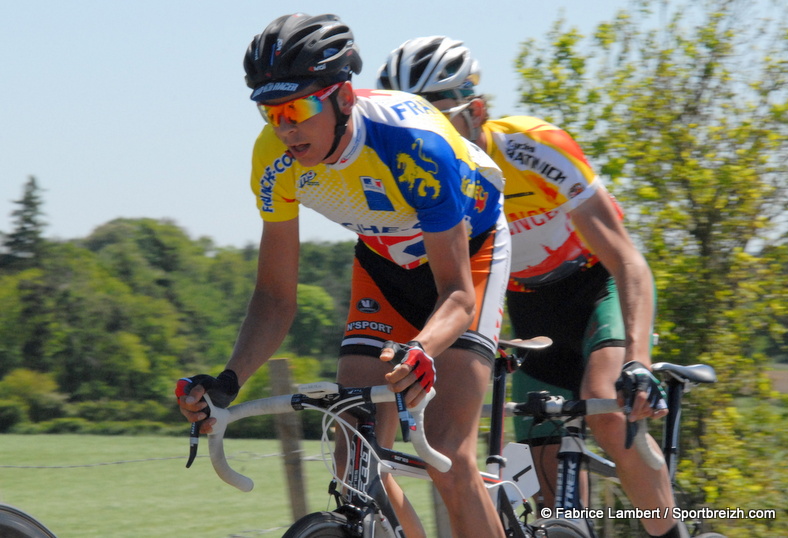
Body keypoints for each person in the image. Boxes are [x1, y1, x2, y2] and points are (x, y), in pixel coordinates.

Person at [176, 14, 513, 538]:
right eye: (270, 112)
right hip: (384, 262)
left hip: (469, 254)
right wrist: (227, 381)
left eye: (298, 108)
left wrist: (422, 348)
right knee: (351, 448)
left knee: (447, 451)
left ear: (344, 98)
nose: (285, 128)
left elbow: (456, 296)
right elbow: (274, 297)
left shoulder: (414, 145)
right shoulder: (273, 160)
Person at [377, 36, 689, 538]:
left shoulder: (534, 147)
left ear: (476, 111)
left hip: (592, 291)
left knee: (608, 413)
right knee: (545, 485)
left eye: (437, 119)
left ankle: (670, 531)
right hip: (523, 312)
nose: (423, 136)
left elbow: (628, 261)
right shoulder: (416, 177)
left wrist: (639, 359)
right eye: (411, 122)